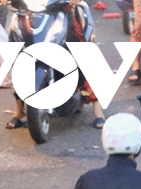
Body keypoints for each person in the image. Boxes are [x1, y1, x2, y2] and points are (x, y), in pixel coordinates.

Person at [6, 0, 106, 129]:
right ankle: (19, 110)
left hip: (63, 14)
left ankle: (97, 109)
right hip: (33, 16)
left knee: (83, 51)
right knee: (20, 56)